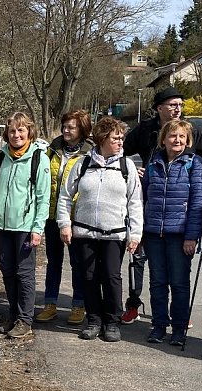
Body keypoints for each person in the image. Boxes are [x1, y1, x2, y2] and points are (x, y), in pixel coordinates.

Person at [122, 87, 202, 324]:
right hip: (149, 203)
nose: (178, 109)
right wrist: (130, 168)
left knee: (177, 274)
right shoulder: (145, 129)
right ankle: (134, 304)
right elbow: (118, 149)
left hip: (178, 212)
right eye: (172, 105)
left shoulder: (191, 130)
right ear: (159, 108)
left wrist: (196, 167)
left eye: (180, 104)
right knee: (138, 259)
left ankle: (179, 315)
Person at [57, 117, 143, 343]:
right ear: (103, 138)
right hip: (84, 233)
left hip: (114, 235)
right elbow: (65, 196)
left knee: (112, 277)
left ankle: (112, 322)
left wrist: (135, 234)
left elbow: (135, 202)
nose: (120, 142)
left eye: (122, 138)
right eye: (116, 138)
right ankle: (94, 320)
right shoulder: (83, 164)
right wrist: (65, 224)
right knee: (88, 277)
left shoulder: (127, 166)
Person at [141, 120, 202, 346]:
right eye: (172, 136)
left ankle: (179, 328)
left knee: (179, 283)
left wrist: (192, 236)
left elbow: (198, 202)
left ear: (187, 140)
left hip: (179, 235)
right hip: (153, 234)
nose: (176, 140)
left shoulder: (194, 165)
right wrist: (140, 231)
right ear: (163, 139)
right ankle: (159, 325)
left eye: (181, 136)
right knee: (158, 282)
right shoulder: (153, 164)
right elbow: (143, 198)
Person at [0, 112, 50, 339]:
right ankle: (13, 315)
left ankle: (25, 319)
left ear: (29, 132)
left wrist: (37, 228)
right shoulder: (2, 156)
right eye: (12, 131)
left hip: (25, 226)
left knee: (24, 274)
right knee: (7, 272)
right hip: (2, 225)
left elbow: (44, 197)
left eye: (21, 130)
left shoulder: (38, 158)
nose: (16, 135)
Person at [35, 110, 92, 325]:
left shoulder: (89, 153)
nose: (66, 130)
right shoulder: (51, 150)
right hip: (52, 215)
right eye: (65, 126)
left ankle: (78, 305)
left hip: (77, 216)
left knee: (78, 263)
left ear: (82, 129)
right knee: (53, 261)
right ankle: (50, 303)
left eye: (72, 127)